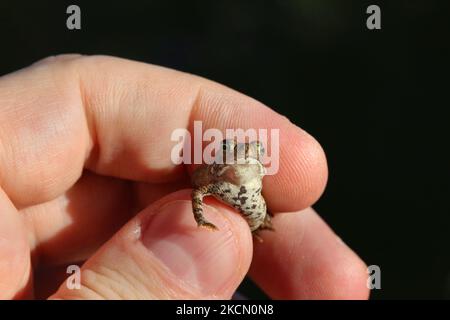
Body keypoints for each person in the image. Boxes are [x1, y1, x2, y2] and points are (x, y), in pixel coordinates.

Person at [0, 55, 369, 299]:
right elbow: (200, 192)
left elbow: (258, 189)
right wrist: (199, 222)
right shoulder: (217, 179)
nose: (241, 154)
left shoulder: (256, 170)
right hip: (230, 207)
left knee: (267, 222)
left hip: (257, 211)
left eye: (250, 151)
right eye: (231, 151)